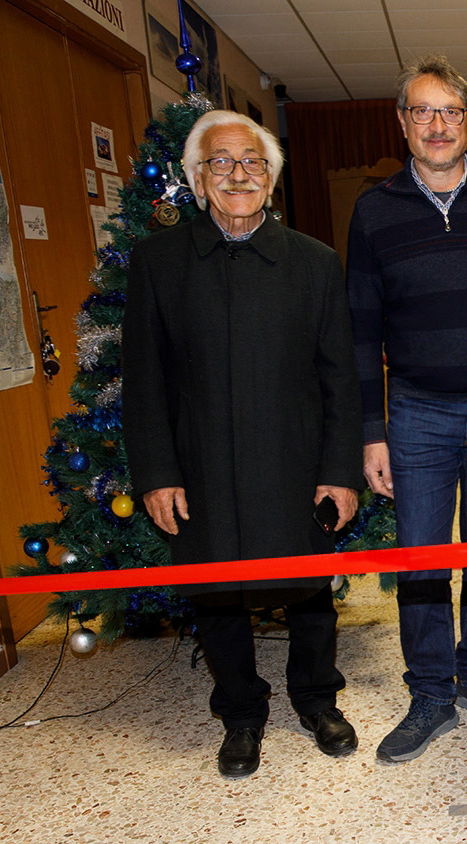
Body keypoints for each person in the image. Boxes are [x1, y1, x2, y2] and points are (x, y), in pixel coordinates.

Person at [124, 109, 364, 779]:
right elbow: (144, 381)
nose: (238, 174)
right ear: (199, 181)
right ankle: (240, 710)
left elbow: (339, 378)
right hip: (200, 466)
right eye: (221, 163)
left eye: (252, 163)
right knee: (216, 591)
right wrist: (157, 473)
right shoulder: (159, 262)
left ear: (271, 178)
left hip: (295, 461)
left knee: (310, 590)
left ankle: (317, 698)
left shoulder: (314, 263)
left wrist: (340, 471)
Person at [347, 56, 467, 763]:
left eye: (449, 111)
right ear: (402, 122)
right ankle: (430, 693)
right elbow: (361, 330)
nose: (436, 124)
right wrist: (373, 433)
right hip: (417, 416)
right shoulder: (374, 209)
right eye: (422, 111)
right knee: (420, 561)